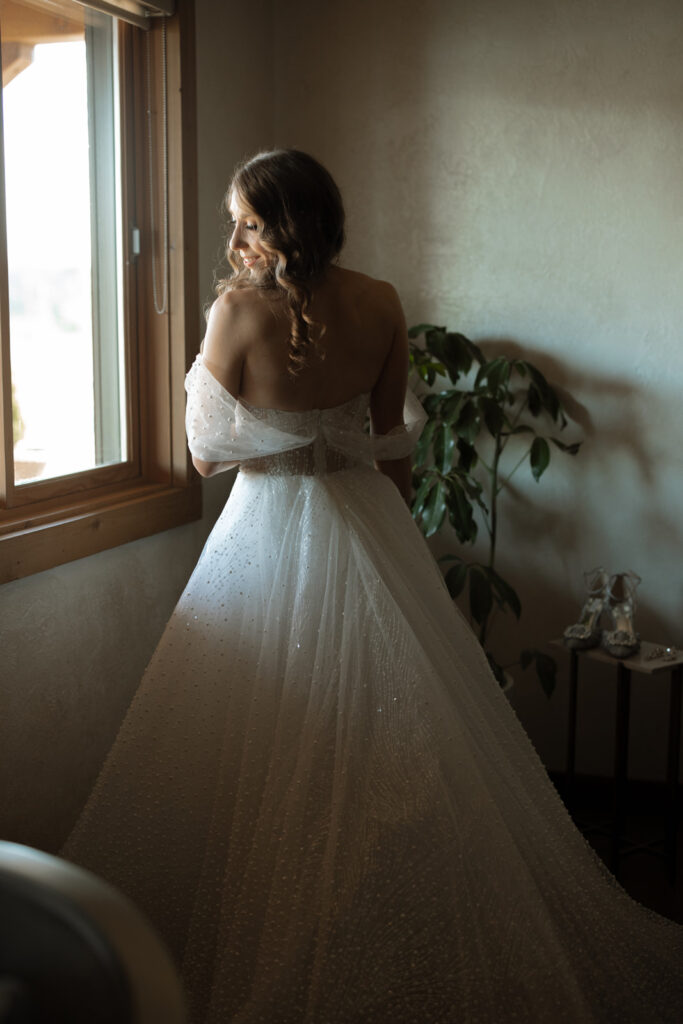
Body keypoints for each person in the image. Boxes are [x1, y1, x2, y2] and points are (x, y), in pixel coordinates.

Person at [63, 150, 683, 1023]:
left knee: (264, 725)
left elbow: (203, 456)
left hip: (269, 523)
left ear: (285, 225)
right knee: (396, 718)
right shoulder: (383, 299)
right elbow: (392, 443)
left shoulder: (237, 310)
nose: (234, 237)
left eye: (246, 219)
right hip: (368, 520)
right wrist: (401, 551)